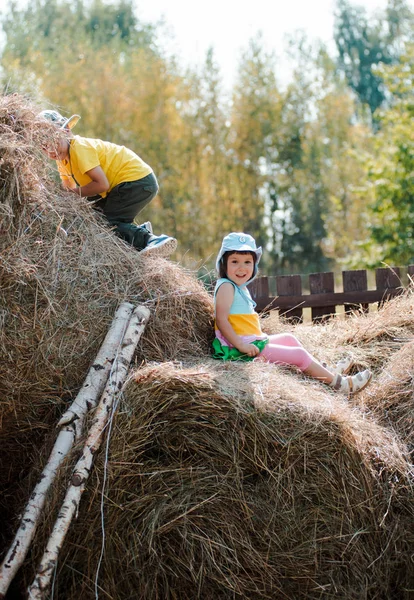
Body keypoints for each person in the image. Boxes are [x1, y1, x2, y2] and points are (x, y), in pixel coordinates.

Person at [212, 232, 372, 396]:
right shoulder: (226, 287)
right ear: (223, 264)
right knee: (299, 355)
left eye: (247, 262)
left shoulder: (238, 287)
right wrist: (241, 345)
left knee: (289, 338)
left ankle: (324, 370)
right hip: (238, 349)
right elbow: (221, 319)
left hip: (251, 341)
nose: (242, 267)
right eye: (234, 262)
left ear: (254, 265)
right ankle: (341, 385)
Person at [38, 109, 177, 257]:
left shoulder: (79, 148)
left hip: (136, 181)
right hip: (121, 186)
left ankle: (150, 240)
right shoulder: (63, 161)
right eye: (44, 146)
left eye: (53, 141)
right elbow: (68, 193)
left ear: (66, 131)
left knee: (107, 223)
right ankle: (137, 230)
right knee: (95, 218)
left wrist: (70, 193)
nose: (50, 150)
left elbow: (101, 185)